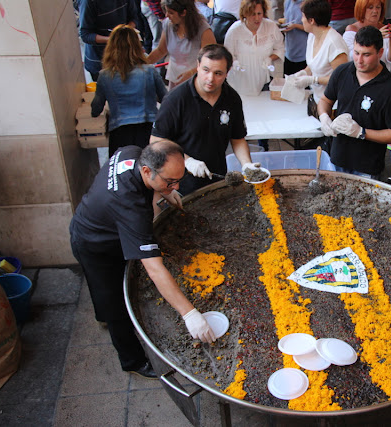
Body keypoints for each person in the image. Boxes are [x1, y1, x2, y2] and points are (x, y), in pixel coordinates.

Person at [70, 141, 216, 379]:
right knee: (114, 304)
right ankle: (132, 361)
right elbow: (154, 268)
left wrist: (164, 191)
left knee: (101, 291)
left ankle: (102, 315)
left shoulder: (132, 153)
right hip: (94, 244)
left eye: (179, 179)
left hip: (101, 220)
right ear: (147, 171)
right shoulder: (132, 208)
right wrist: (189, 314)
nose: (176, 185)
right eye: (170, 182)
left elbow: (144, 180)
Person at [150, 44, 261, 195]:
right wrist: (187, 161)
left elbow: (237, 138)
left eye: (218, 73)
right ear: (197, 66)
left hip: (218, 179)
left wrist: (246, 164)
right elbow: (156, 141)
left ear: (227, 73)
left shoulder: (232, 98)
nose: (210, 79)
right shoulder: (176, 99)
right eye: (206, 70)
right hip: (182, 184)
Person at [317, 26, 391, 179]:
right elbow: (325, 100)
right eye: (356, 52)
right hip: (337, 157)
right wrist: (324, 117)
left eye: (366, 55)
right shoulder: (342, 72)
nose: (359, 60)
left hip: (367, 167)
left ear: (379, 52)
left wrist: (362, 133)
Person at [92, 25, 167, 157]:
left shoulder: (105, 76)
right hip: (149, 130)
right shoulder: (149, 71)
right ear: (137, 46)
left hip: (120, 133)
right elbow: (166, 100)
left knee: (123, 173)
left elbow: (96, 109)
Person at [285, 0, 348, 104]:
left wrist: (313, 80)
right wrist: (304, 73)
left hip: (333, 104)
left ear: (311, 21)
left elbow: (341, 78)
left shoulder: (334, 43)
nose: (301, 20)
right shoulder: (312, 35)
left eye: (303, 17)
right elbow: (314, 64)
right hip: (318, 99)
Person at [147, 0, 217, 90]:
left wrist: (191, 73)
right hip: (175, 79)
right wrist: (143, 63)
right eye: (166, 11)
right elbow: (161, 50)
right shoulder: (168, 24)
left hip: (196, 82)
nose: (167, 15)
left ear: (184, 13)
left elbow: (211, 60)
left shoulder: (203, 29)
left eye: (171, 12)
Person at [224, 0, 285, 96]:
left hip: (265, 79)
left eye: (259, 13)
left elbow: (280, 48)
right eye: (253, 14)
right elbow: (227, 55)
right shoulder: (234, 30)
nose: (257, 18)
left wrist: (270, 58)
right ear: (245, 14)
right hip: (241, 82)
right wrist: (235, 63)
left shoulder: (271, 26)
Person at [79, 0, 140, 81]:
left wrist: (126, 31)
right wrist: (114, 39)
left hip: (125, 58)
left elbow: (134, 17)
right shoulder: (88, 2)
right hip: (100, 62)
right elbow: (85, 34)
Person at [342, 0, 391, 74]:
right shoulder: (352, 30)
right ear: (361, 9)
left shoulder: (386, 29)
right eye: (370, 8)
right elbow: (350, 58)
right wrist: (376, 36)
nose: (375, 11)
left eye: (378, 7)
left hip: (382, 77)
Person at [282, 0, 308, 76]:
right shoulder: (287, 2)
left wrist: (295, 26)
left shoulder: (306, 4)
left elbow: (313, 28)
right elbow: (286, 20)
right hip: (289, 52)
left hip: (303, 53)